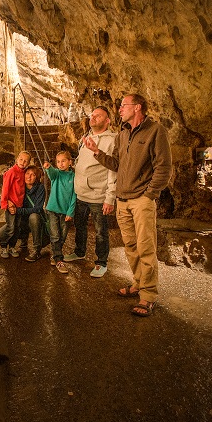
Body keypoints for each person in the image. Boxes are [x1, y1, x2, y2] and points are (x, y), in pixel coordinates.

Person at [84, 94, 172, 317]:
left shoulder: (155, 131)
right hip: (123, 200)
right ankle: (138, 283)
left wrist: (150, 194)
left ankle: (148, 295)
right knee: (131, 247)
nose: (120, 109)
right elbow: (116, 164)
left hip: (141, 199)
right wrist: (96, 152)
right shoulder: (123, 134)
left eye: (124, 105)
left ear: (138, 107)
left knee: (145, 248)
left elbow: (163, 167)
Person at [66, 106, 117, 279]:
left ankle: (101, 262)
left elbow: (113, 169)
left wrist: (110, 197)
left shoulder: (112, 140)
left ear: (107, 120)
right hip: (81, 193)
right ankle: (79, 251)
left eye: (98, 116)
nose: (93, 117)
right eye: (92, 115)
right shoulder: (86, 138)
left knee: (101, 231)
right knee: (80, 226)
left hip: (98, 195)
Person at [43, 151, 77, 274]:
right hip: (52, 209)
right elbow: (51, 173)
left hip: (65, 211)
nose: (60, 164)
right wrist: (49, 167)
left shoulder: (73, 177)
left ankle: (55, 254)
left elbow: (74, 195)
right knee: (55, 235)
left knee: (62, 236)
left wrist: (70, 212)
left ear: (70, 162)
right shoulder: (56, 173)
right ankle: (59, 260)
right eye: (58, 162)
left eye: (63, 161)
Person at [0, 150, 31, 258]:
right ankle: (4, 247)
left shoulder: (23, 172)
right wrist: (5, 203)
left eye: (25, 161)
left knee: (17, 228)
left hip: (19, 206)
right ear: (17, 159)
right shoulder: (11, 172)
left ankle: (12, 247)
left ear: (28, 163)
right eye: (21, 159)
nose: (22, 162)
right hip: (11, 206)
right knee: (10, 228)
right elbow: (5, 189)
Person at [14, 166, 47, 262]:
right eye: (27, 173)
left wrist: (18, 210)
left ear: (37, 177)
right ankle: (23, 241)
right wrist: (8, 203)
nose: (29, 177)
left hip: (35, 220)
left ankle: (37, 250)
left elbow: (37, 209)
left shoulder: (40, 188)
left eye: (33, 175)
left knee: (33, 217)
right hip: (23, 219)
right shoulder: (19, 186)